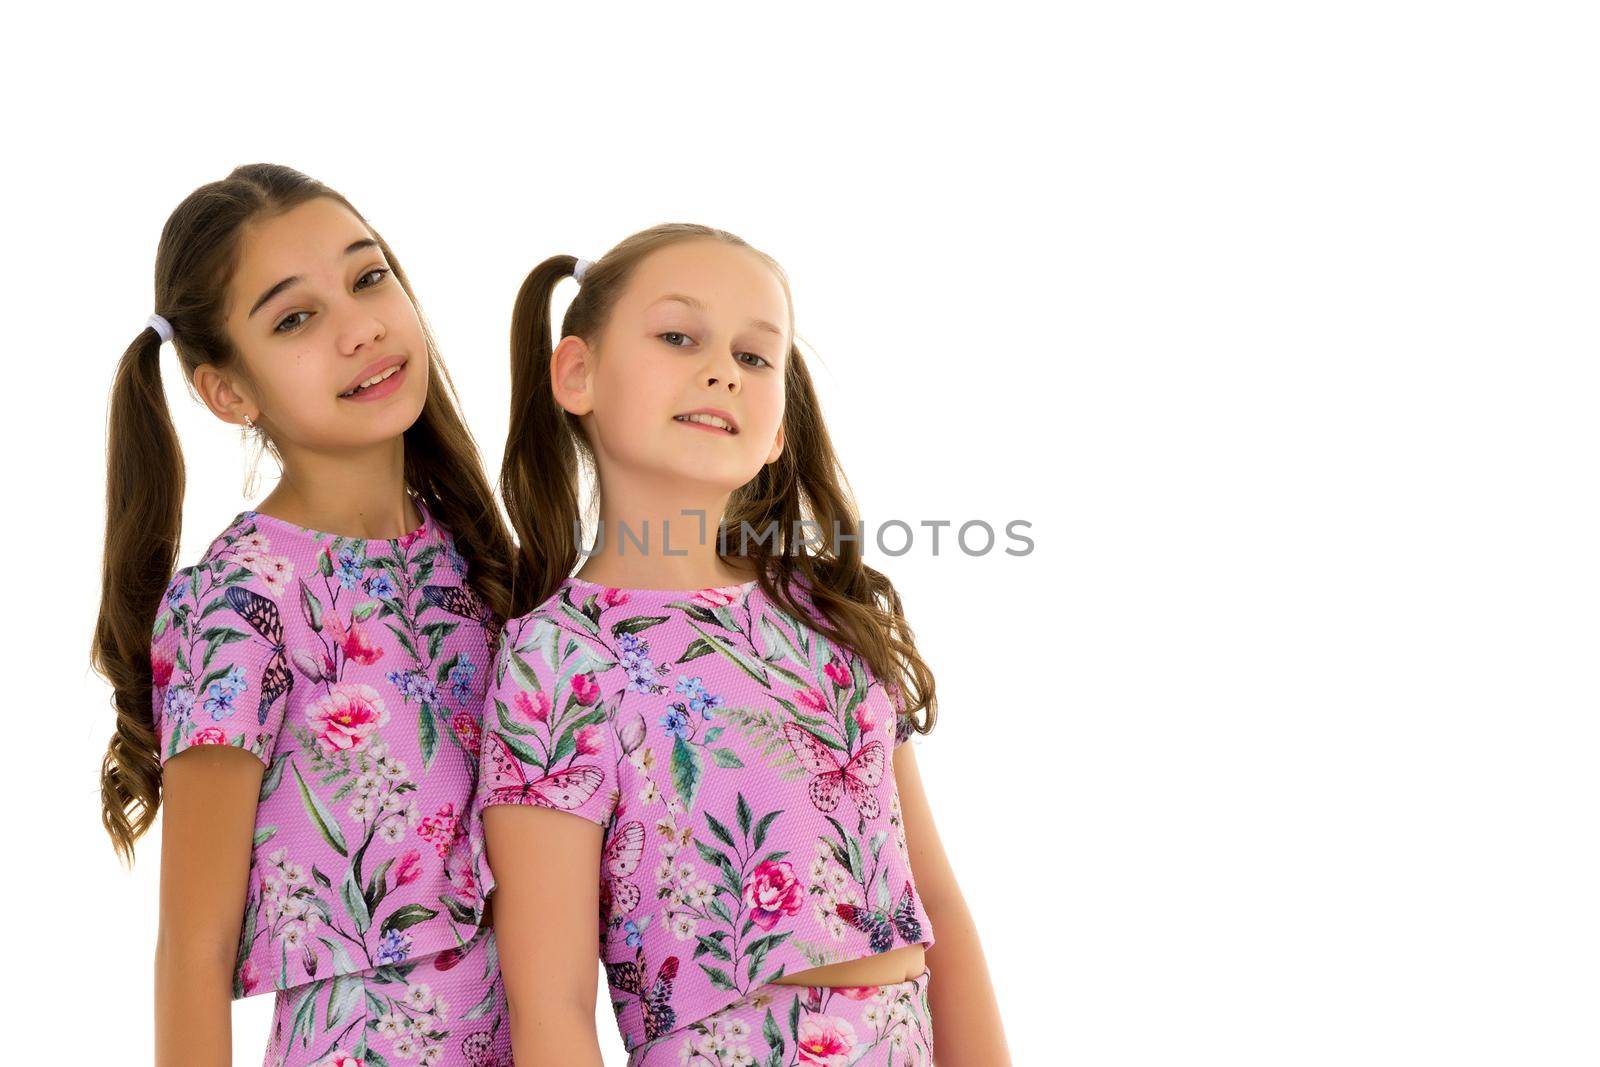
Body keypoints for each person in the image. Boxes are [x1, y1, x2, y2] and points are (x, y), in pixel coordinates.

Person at [471, 225, 1011, 1064]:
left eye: (757, 357)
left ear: (780, 426)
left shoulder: (830, 613)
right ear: (577, 373)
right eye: (678, 336)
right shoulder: (557, 659)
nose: (722, 368)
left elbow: (934, 898)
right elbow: (552, 1004)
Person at [93, 164, 517, 1067]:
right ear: (228, 392)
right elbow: (193, 951)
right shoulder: (240, 601)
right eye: (295, 317)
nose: (360, 326)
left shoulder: (476, 564)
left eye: (368, 278)